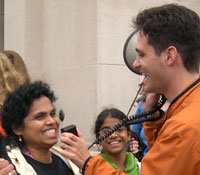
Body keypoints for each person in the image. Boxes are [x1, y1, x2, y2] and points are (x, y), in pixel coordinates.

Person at [59, 3, 200, 175]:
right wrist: (153, 119)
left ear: (169, 56)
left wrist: (88, 162)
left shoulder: (184, 128)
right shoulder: (187, 112)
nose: (136, 64)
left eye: (141, 55)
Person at [1, 81, 77, 175]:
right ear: (18, 128)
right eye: (40, 116)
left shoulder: (68, 161)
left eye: (53, 114)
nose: (52, 121)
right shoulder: (10, 169)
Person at [93, 108, 139, 174]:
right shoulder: (92, 169)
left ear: (128, 134)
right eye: (106, 132)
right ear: (98, 138)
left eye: (119, 130)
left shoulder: (141, 168)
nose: (113, 135)